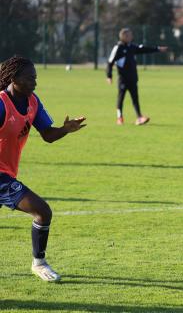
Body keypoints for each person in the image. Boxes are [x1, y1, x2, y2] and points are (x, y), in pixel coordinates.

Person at [0, 56, 86, 282]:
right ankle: (39, 263)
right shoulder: (1, 104)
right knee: (42, 211)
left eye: (35, 78)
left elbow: (47, 135)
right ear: (13, 78)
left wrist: (65, 129)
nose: (35, 83)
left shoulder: (32, 102)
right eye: (30, 78)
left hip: (7, 173)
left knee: (42, 212)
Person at [106, 27, 168, 126]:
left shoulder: (132, 47)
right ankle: (119, 117)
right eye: (130, 35)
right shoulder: (118, 48)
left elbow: (144, 49)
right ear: (124, 36)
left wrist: (158, 49)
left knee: (135, 98)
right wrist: (109, 76)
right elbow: (110, 63)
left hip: (133, 78)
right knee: (121, 98)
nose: (132, 36)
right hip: (123, 79)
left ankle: (139, 117)